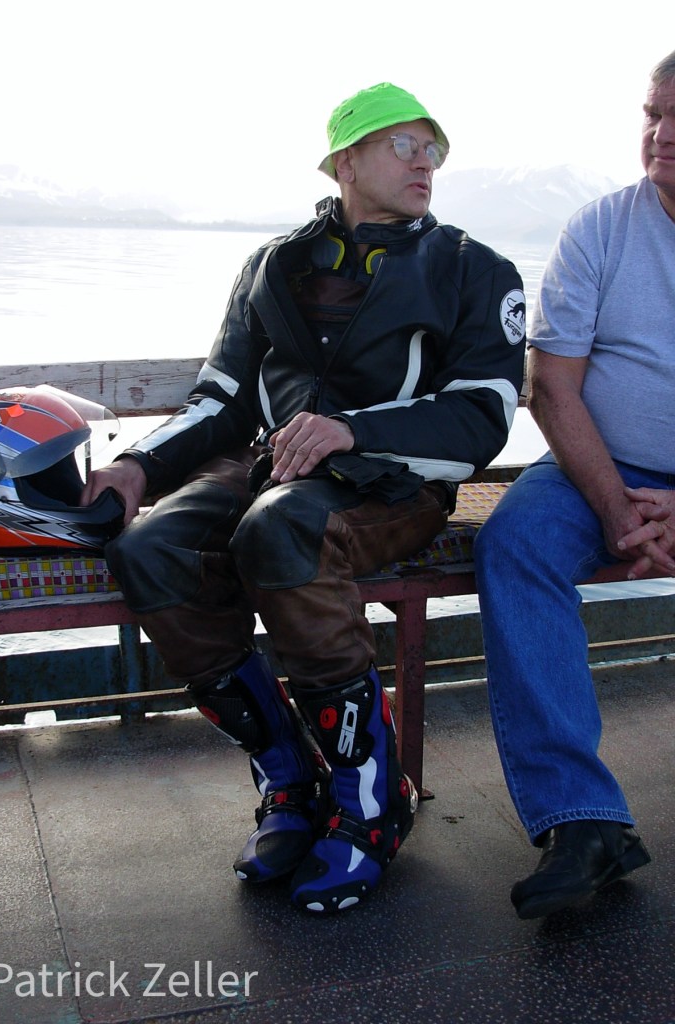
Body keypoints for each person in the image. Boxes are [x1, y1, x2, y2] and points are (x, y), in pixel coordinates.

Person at [82, 82, 526, 913]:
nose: (426, 161)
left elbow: (482, 417)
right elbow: (222, 398)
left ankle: (371, 802)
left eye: (432, 148)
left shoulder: (474, 268)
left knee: (281, 530)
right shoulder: (273, 266)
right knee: (148, 547)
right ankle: (287, 780)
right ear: (345, 161)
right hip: (273, 468)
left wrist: (349, 429)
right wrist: (139, 466)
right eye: (403, 144)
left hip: (397, 482)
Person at [475, 50, 675, 920]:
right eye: (653, 114)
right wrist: (620, 510)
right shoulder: (600, 228)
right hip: (600, 464)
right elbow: (552, 386)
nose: (662, 135)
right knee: (515, 544)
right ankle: (582, 821)